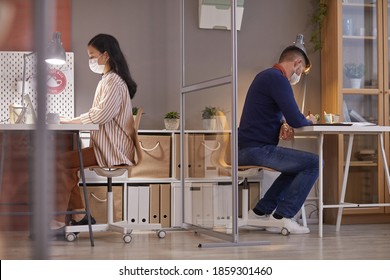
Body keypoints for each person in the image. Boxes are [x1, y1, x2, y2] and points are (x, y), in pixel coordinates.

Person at [53, 34, 137, 234]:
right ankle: (80, 216)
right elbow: (98, 115)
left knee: (60, 163)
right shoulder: (107, 80)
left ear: (105, 55)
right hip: (106, 147)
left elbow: (100, 116)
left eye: (92, 55)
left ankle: (60, 222)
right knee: (64, 165)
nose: (90, 60)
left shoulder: (113, 82)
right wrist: (70, 120)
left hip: (112, 150)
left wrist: (69, 121)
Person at [238, 43, 319, 235]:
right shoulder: (278, 79)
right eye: (300, 70)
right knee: (315, 163)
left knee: (297, 166)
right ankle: (284, 216)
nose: (298, 75)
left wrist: (282, 124)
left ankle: (259, 212)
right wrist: (309, 120)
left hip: (247, 149)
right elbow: (295, 118)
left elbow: (274, 113)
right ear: (297, 63)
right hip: (255, 150)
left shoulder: (266, 76)